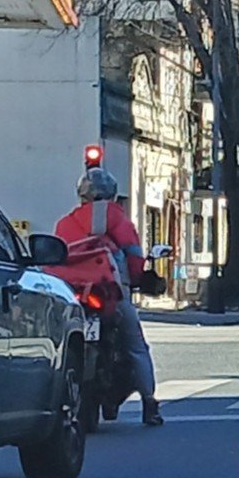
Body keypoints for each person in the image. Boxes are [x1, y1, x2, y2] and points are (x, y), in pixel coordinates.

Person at [55, 168, 163, 426]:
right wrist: (137, 279)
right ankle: (149, 403)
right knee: (136, 346)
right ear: (113, 195)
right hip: (113, 293)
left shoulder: (66, 223)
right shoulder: (122, 224)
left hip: (76, 295)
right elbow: (135, 261)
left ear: (82, 195)